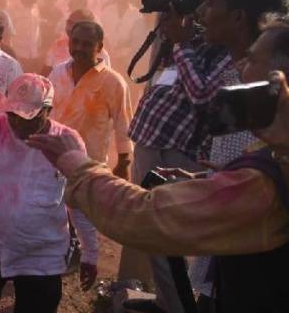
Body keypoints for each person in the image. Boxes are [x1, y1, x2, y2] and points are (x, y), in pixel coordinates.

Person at [28, 17, 289, 313]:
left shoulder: (264, 182)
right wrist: (207, 179)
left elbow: (144, 216)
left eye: (251, 60)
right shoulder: (272, 159)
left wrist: (77, 165)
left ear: (280, 83)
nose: (239, 68)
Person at [124, 0, 289, 312]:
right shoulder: (232, 60)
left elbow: (259, 177)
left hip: (252, 269)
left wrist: (79, 171)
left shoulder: (256, 80)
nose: (199, 12)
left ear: (238, 17)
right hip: (231, 255)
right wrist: (210, 179)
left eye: (210, 3)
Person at [0, 74, 98, 313]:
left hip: (41, 254)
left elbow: (79, 202)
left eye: (28, 118)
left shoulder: (67, 142)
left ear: (48, 111)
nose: (19, 124)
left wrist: (90, 252)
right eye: (13, 115)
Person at [47, 21, 132, 178]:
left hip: (90, 168)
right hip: (53, 162)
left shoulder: (113, 82)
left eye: (87, 44)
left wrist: (123, 164)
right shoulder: (58, 73)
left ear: (99, 47)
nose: (79, 48)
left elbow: (124, 126)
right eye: (75, 42)